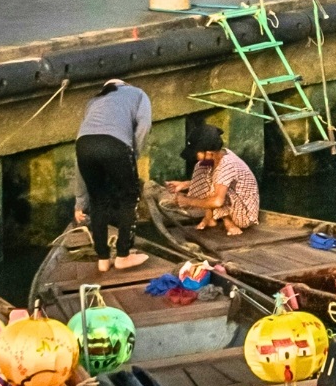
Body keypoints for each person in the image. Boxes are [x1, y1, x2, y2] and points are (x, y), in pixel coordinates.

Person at [75, 80, 152, 271]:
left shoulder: (94, 101)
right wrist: (133, 155)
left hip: (83, 146)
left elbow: (78, 165)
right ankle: (123, 255)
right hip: (116, 145)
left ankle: (102, 258)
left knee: (98, 201)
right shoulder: (138, 93)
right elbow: (144, 126)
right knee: (129, 197)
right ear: (124, 84)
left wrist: (79, 202)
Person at [167, 124, 261, 235]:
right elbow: (207, 181)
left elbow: (217, 201)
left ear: (209, 152)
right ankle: (209, 218)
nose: (195, 157)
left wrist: (187, 201)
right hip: (231, 203)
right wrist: (184, 184)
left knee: (215, 190)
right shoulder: (217, 157)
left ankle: (229, 223)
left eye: (197, 153)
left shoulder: (227, 164)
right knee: (200, 168)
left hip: (244, 214)